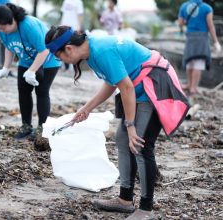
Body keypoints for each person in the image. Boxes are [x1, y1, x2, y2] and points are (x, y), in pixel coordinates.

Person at [45, 26, 189, 219]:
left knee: (139, 145)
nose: (59, 60)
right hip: (135, 89)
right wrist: (86, 108)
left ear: (69, 49)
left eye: (57, 55)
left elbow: (126, 88)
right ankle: (125, 200)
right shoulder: (91, 53)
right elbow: (113, 82)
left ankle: (146, 209)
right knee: (123, 140)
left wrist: (131, 126)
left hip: (151, 85)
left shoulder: (101, 50)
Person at [0, 3, 61, 140]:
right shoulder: (3, 31)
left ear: (12, 20)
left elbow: (44, 50)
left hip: (48, 60)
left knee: (41, 91)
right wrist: (5, 67)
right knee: (23, 91)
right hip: (26, 60)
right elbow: (9, 48)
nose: (2, 31)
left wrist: (32, 71)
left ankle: (42, 128)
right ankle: (26, 125)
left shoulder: (28, 25)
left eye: (3, 27)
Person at [178, 0, 221, 95]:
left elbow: (180, 23)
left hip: (190, 37)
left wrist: (190, 23)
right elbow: (210, 26)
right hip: (202, 37)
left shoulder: (184, 6)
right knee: (198, 62)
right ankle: (193, 88)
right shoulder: (207, 8)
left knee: (189, 61)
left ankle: (189, 85)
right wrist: (216, 42)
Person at [60, 0, 83, 73]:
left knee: (72, 46)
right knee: (62, 45)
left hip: (74, 27)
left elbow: (80, 15)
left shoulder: (79, 2)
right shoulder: (66, 1)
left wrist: (79, 26)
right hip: (64, 26)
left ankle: (71, 67)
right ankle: (63, 65)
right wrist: (61, 24)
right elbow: (63, 14)